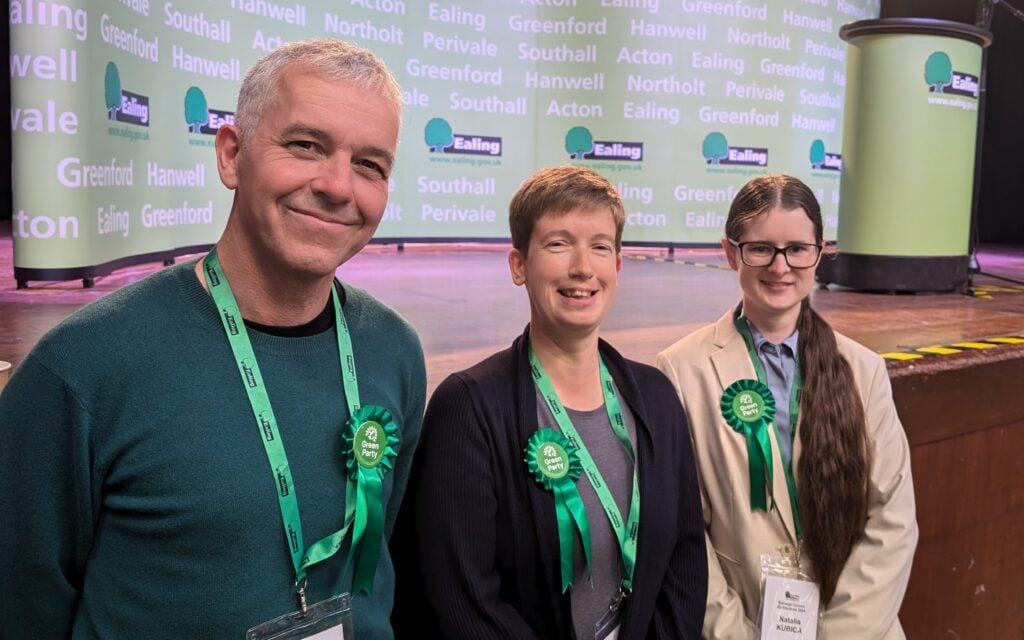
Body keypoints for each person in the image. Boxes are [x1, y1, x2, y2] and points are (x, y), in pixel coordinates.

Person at [0, 39, 425, 639]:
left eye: (370, 165)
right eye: (306, 145)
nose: (337, 185)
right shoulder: (80, 370)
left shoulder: (394, 352)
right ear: (231, 154)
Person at [392, 165, 707, 639]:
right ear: (519, 264)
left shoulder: (657, 400)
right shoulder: (470, 409)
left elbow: (683, 561)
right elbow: (463, 600)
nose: (583, 267)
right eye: (559, 243)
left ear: (617, 265)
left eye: (600, 246)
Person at [656, 174, 918, 639]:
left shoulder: (865, 370)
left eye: (797, 249)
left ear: (820, 251)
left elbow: (892, 522)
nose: (780, 267)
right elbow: (684, 534)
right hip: (740, 625)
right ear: (731, 251)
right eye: (761, 249)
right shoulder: (680, 371)